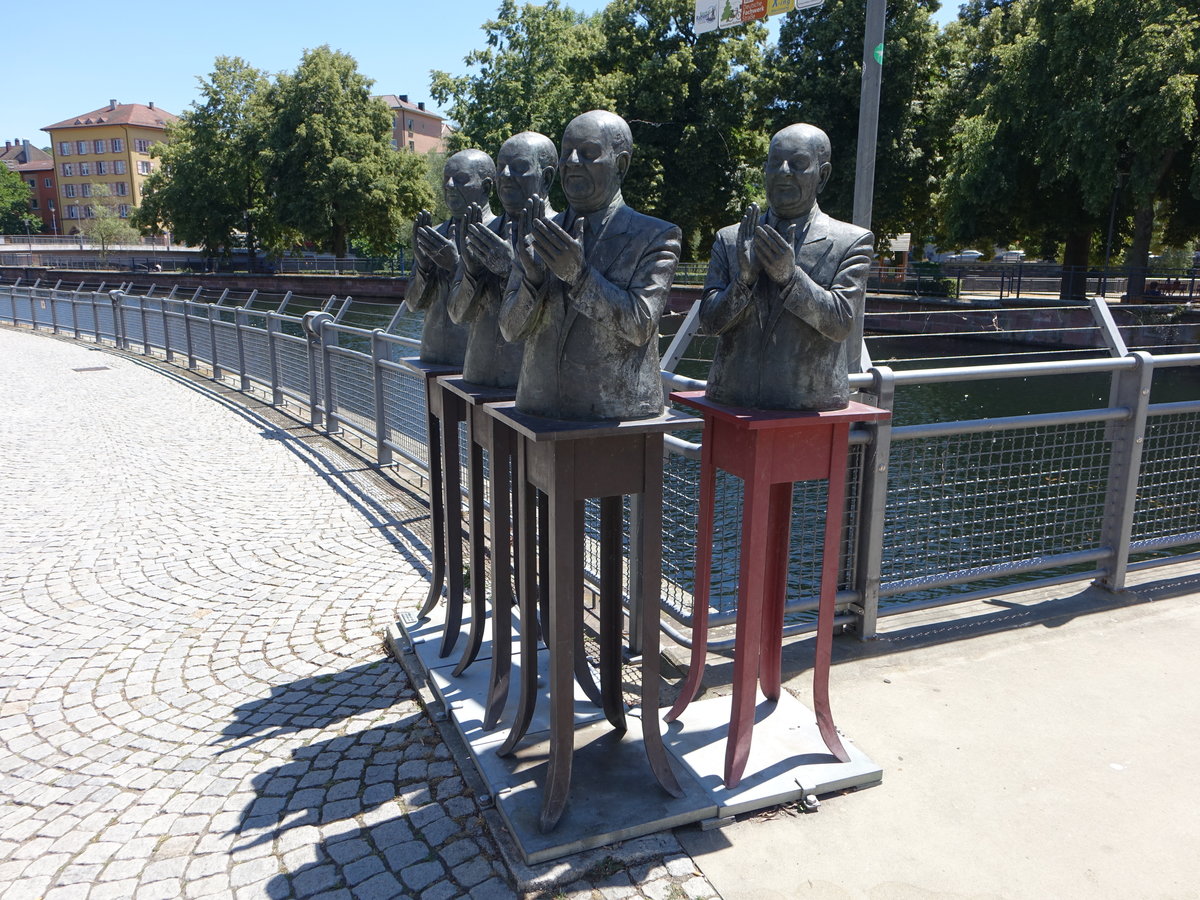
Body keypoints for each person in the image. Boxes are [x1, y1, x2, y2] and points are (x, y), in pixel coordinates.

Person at [499, 110, 680, 420]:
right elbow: (509, 329)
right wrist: (532, 280)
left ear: (621, 164)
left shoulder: (655, 236)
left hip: (617, 414)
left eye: (588, 153)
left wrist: (580, 277)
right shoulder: (537, 232)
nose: (570, 161)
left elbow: (639, 325)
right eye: (567, 151)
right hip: (538, 408)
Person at [700, 123, 874, 410]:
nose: (783, 172)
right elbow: (708, 323)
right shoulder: (730, 238)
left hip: (810, 406)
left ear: (823, 175)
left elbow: (841, 324)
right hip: (731, 402)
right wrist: (743, 280)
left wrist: (790, 278)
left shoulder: (852, 241)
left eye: (798, 164)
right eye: (774, 163)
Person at [448, 132, 558, 388]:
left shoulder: (563, 234)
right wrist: (472, 272)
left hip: (535, 386)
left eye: (519, 168)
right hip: (479, 374)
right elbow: (457, 314)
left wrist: (511, 268)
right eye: (502, 168)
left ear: (546, 177)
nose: (506, 176)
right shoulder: (481, 234)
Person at [407, 149, 496, 366]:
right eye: (446, 179)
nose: (449, 186)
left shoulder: (498, 234)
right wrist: (423, 267)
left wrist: (455, 266)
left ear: (486, 187)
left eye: (460, 179)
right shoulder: (434, 233)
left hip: (477, 363)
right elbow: (412, 303)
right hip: (433, 355)